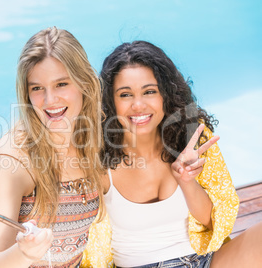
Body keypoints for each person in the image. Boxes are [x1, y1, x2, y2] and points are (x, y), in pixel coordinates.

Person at [82, 41, 262, 268]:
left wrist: (187, 181)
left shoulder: (190, 136)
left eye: (149, 92)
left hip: (204, 261)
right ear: (110, 101)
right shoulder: (98, 158)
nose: (138, 105)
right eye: (125, 94)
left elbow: (214, 222)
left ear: (165, 95)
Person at [0, 26, 105, 268]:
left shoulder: (92, 139)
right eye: (37, 88)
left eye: (61, 84)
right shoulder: (13, 160)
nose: (50, 100)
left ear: (84, 83)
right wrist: (25, 254)